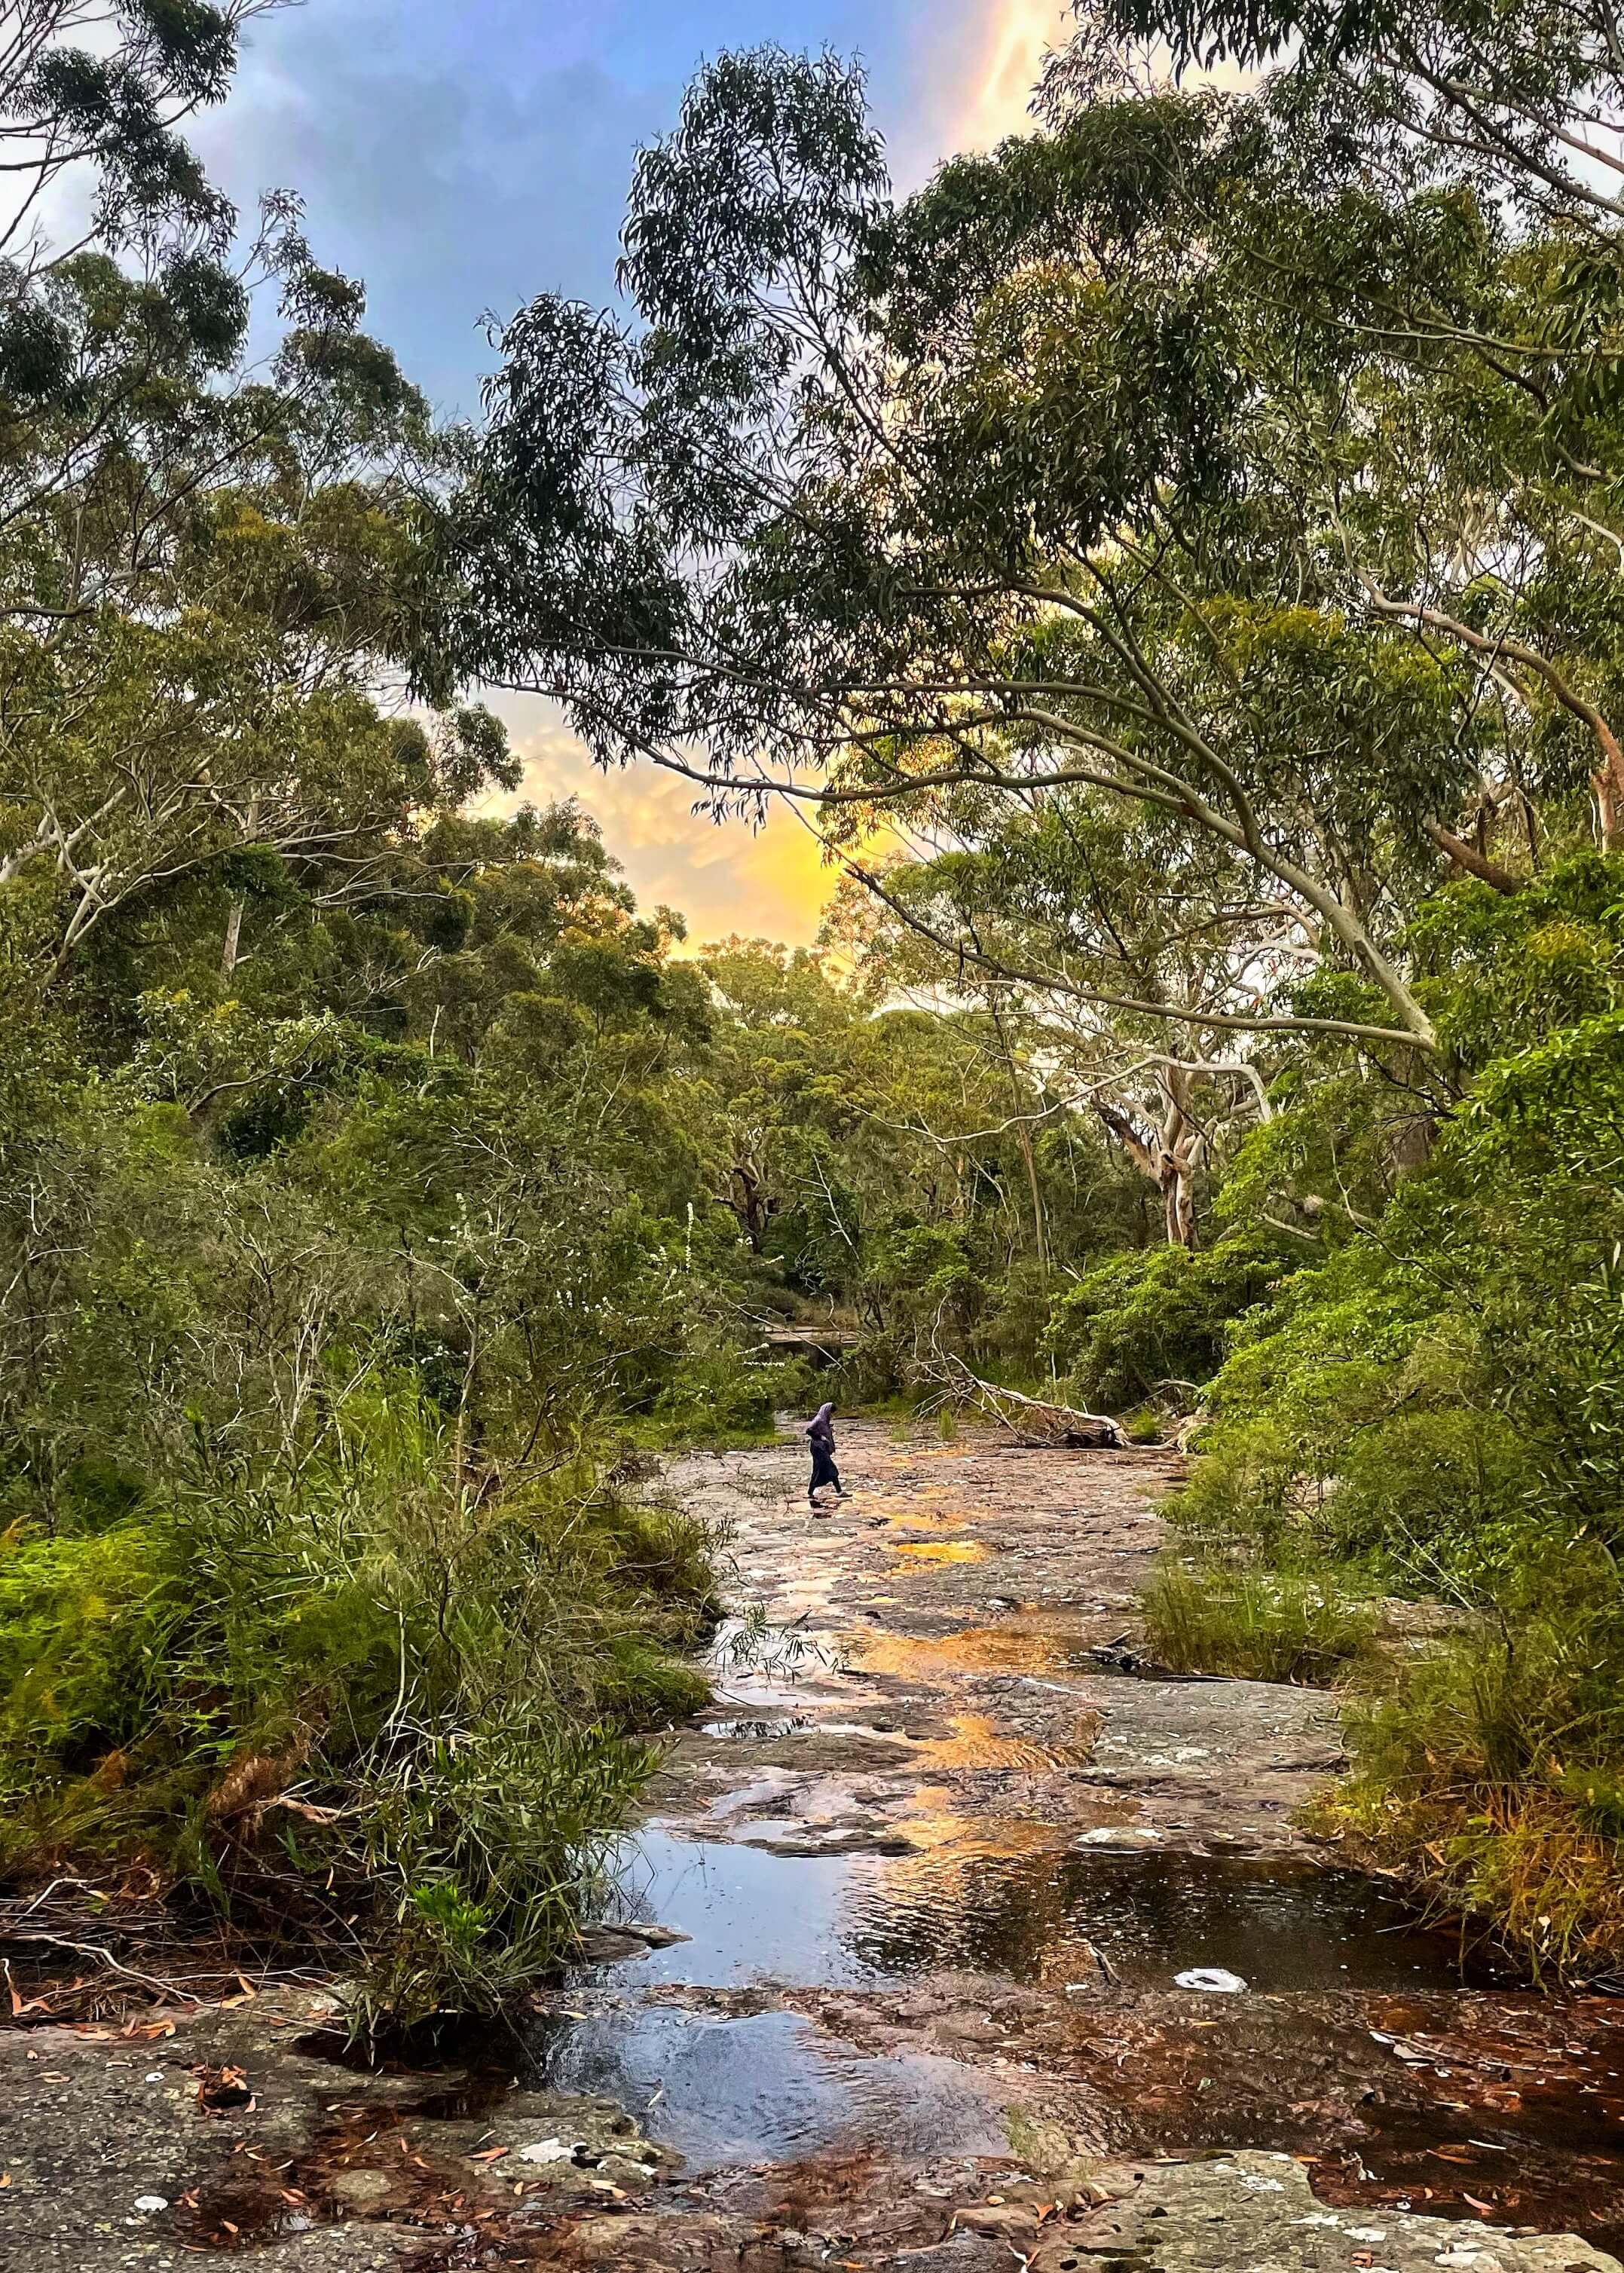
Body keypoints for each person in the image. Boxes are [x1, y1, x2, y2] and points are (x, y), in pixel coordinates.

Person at [802, 1400, 844, 1509]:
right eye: (830, 1412)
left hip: (822, 1448)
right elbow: (809, 1430)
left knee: (819, 1469)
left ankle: (811, 1492)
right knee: (829, 1468)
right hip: (818, 1448)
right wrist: (821, 1437)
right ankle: (839, 1491)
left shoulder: (825, 1421)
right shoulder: (819, 1420)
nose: (831, 1414)